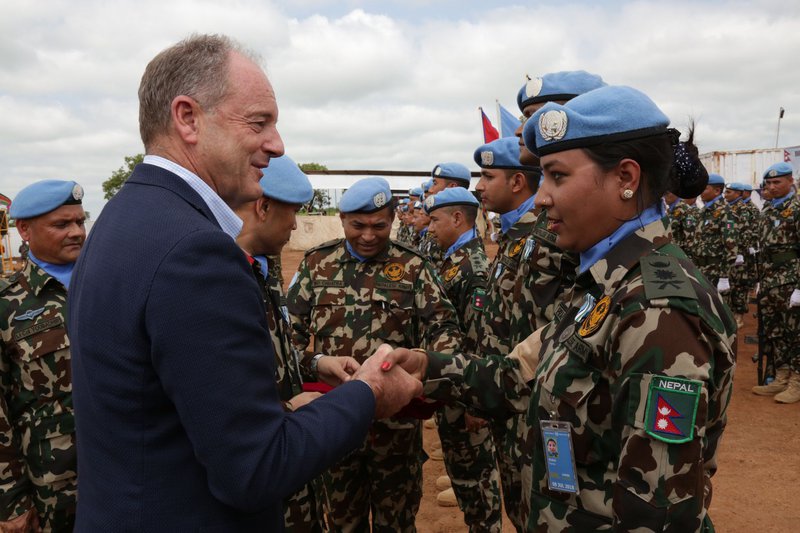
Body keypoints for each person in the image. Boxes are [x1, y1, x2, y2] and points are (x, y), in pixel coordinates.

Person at [67, 34, 422, 532]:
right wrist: (367, 392)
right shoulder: (196, 250)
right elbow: (255, 469)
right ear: (187, 118)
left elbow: (173, 406)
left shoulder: (122, 219)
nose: (276, 145)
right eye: (259, 123)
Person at [388, 85, 736, 531]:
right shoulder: (606, 282)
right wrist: (424, 367)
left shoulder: (657, 309)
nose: (542, 197)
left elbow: (656, 518)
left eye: (558, 176)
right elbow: (519, 375)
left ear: (626, 179)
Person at [286, 177, 461, 532]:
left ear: (393, 220)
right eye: (358, 225)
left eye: (379, 225)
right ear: (341, 219)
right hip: (333, 425)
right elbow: (288, 342)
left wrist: (418, 367)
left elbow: (445, 331)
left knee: (395, 523)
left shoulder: (413, 267)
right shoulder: (317, 264)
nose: (368, 235)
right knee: (342, 523)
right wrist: (317, 364)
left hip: (396, 429)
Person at [234, 154, 354, 531]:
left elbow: (276, 352)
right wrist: (289, 408)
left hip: (292, 475)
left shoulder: (263, 268)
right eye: (293, 213)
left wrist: (317, 363)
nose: (296, 225)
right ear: (264, 206)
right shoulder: (220, 278)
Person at [0, 180, 84, 532]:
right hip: (52, 486)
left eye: (80, 221)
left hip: (124, 469)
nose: (77, 232)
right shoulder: (7, 305)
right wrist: (11, 501)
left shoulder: (109, 283)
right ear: (24, 229)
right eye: (62, 224)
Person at [472, 136, 541, 531]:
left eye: (487, 176)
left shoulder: (541, 237)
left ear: (517, 182)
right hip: (508, 398)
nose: (479, 186)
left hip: (529, 407)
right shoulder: (515, 235)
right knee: (518, 508)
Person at [423, 188, 502, 531]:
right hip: (453, 390)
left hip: (466, 394)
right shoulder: (456, 260)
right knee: (464, 477)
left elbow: (483, 337)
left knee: (477, 483)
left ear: (457, 219)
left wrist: (476, 403)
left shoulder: (475, 269)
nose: (429, 228)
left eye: (435, 220)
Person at [751, 162, 800, 403]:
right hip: (770, 280)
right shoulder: (768, 210)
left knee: (796, 333)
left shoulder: (797, 208)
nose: (771, 186)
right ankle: (781, 377)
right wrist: (760, 279)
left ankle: (796, 382)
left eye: (776, 182)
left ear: (791, 181)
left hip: (792, 279)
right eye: (768, 183)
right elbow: (763, 249)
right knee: (776, 332)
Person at [692, 173, 738, 295]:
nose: (700, 191)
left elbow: (730, 246)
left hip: (716, 271)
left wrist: (723, 277)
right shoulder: (704, 211)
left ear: (717, 191)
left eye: (705, 188)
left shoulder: (725, 212)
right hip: (701, 269)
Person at [724, 183, 759, 327]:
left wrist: (741, 252)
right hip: (729, 253)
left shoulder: (744, 210)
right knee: (730, 282)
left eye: (729, 192)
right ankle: (729, 312)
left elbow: (747, 232)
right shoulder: (727, 208)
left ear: (739, 194)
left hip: (741, 254)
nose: (725, 194)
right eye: (725, 192)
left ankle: (738, 315)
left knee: (739, 283)